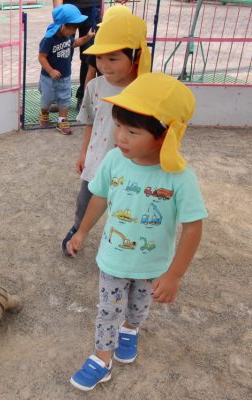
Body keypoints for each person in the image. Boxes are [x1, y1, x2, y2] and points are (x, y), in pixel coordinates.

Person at [66, 72, 207, 391]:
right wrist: (82, 231)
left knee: (139, 306)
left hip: (153, 265)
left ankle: (130, 330)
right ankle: (102, 359)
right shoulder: (114, 160)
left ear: (165, 135)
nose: (121, 137)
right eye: (118, 126)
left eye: (132, 130)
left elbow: (193, 227)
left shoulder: (179, 177)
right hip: (113, 258)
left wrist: (174, 275)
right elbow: (100, 196)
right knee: (107, 310)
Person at [61, 12, 151, 256]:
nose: (104, 64)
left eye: (113, 58)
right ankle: (79, 229)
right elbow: (91, 122)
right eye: (99, 57)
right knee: (85, 202)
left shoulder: (145, 92)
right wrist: (83, 154)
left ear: (136, 56)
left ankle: (121, 242)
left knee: (123, 208)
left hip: (131, 168)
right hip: (97, 161)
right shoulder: (94, 88)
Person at [53, 0, 129, 110]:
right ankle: (61, 97)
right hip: (68, 8)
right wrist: (58, 13)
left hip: (92, 8)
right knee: (62, 53)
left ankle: (84, 97)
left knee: (89, 55)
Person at [38, 4, 95, 134]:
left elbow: (74, 43)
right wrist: (51, 71)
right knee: (46, 99)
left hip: (65, 76)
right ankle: (44, 114)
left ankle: (62, 121)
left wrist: (87, 38)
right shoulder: (48, 39)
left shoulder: (68, 36)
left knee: (65, 99)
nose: (74, 31)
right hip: (48, 77)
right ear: (62, 25)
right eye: (73, 28)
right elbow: (41, 57)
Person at [82, 4, 132, 93]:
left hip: (126, 93)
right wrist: (87, 96)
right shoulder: (99, 47)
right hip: (103, 93)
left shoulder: (133, 49)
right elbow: (91, 73)